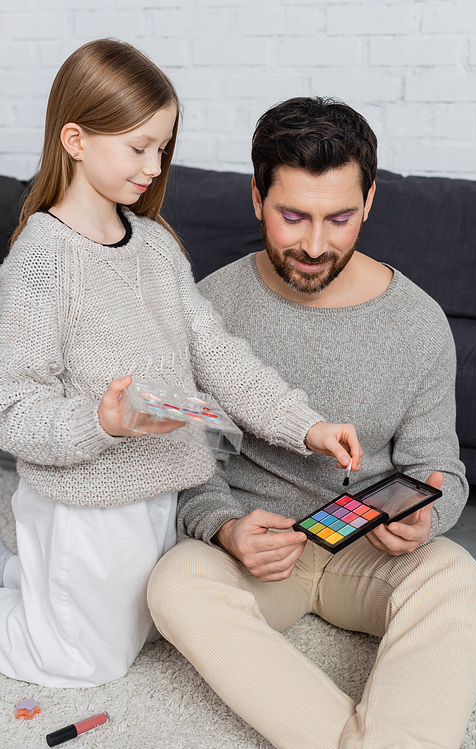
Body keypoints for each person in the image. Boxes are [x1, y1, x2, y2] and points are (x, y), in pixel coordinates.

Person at [0, 49, 361, 689]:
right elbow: (12, 412)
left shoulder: (156, 244)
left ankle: (29, 569)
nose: (154, 167)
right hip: (88, 503)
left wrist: (307, 426)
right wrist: (101, 421)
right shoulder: (39, 261)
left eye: (162, 149)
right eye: (138, 147)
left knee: (153, 629)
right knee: (80, 666)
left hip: (162, 490)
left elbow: (217, 354)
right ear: (75, 140)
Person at [148, 97, 476, 749]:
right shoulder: (209, 306)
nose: (314, 243)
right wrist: (224, 527)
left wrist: (425, 517)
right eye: (293, 215)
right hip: (260, 551)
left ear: (368, 202)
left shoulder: (418, 322)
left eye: (338, 218)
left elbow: (440, 469)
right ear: (256, 198)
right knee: (173, 583)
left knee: (457, 574)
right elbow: (186, 459)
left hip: (367, 551)